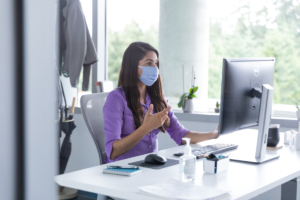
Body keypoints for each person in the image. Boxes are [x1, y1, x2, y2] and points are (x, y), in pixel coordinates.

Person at [103, 42, 219, 163]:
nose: (154, 68)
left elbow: (180, 134)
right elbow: (112, 152)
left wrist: (214, 134)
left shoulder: (157, 98)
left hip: (150, 166)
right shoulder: (116, 99)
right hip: (124, 168)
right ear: (132, 66)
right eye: (148, 63)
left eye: (156, 63)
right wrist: (146, 128)